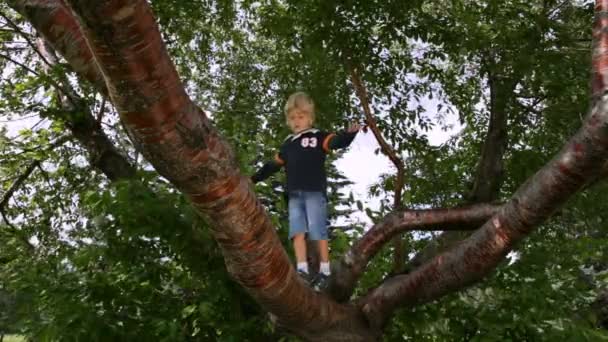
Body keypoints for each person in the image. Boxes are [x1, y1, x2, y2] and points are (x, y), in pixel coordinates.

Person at [251, 91, 361, 290]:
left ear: (310, 118)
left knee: (317, 229)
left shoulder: (318, 136)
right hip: (294, 194)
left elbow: (335, 142)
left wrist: (349, 135)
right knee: (298, 232)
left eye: (300, 116)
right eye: (292, 118)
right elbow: (272, 165)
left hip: (314, 191)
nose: (296, 121)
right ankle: (301, 269)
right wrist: (255, 178)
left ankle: (325, 270)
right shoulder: (288, 144)